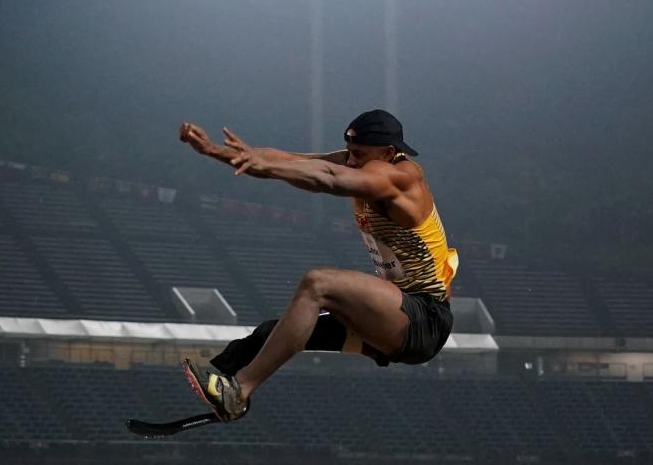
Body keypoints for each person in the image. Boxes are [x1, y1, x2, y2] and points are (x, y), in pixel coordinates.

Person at [176, 109, 458, 422]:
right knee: (272, 333)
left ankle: (238, 392)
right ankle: (220, 376)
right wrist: (218, 151)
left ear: (388, 153)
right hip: (392, 316)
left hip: (423, 320)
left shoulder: (401, 178)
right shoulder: (364, 161)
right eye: (349, 152)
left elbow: (328, 177)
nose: (350, 161)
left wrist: (266, 164)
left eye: (359, 155)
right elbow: (296, 161)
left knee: (318, 284)